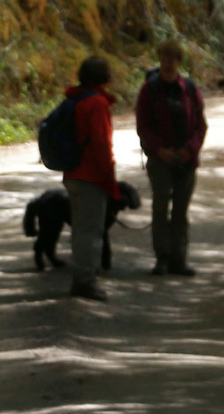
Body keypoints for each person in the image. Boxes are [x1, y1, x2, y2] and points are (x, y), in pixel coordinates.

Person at [134, 40, 207, 276]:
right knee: (160, 209)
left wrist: (189, 150)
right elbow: (143, 126)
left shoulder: (190, 89)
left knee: (180, 211)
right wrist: (160, 150)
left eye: (172, 60)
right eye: (164, 59)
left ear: (179, 62)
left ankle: (179, 258)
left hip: (186, 160)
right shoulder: (150, 90)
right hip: (160, 160)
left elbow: (200, 125)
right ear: (160, 59)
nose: (167, 64)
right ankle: (162, 258)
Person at [61, 55, 120, 301]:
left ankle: (82, 276)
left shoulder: (75, 99)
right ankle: (85, 281)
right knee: (90, 231)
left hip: (73, 173)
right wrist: (109, 175)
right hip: (90, 176)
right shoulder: (96, 103)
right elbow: (101, 144)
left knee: (80, 230)